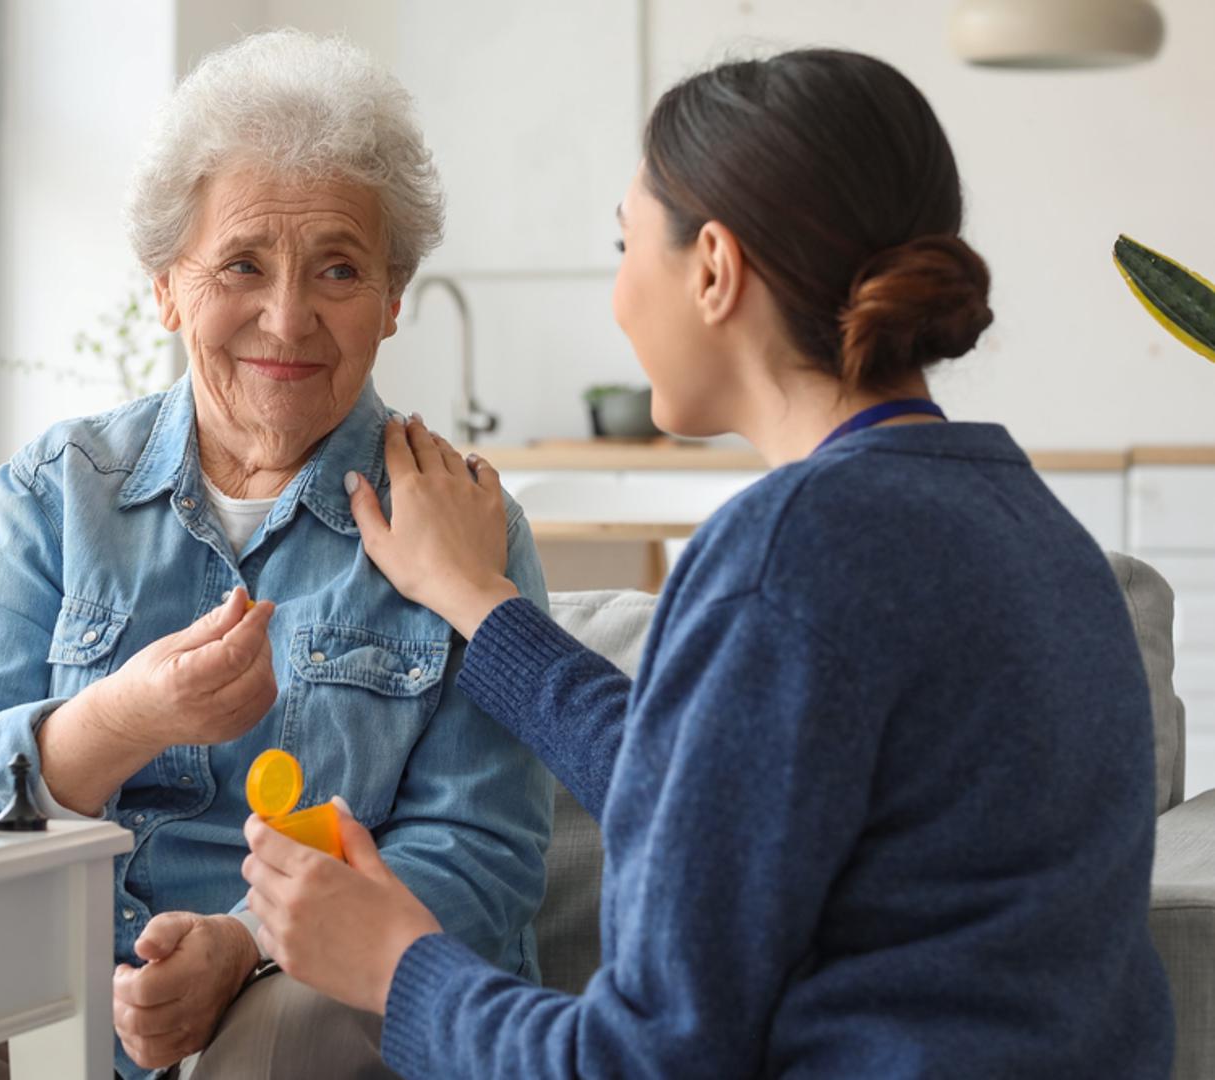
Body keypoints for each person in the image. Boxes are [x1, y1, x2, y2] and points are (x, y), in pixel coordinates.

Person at [240, 48, 1175, 1077]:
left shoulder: (786, 554)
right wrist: (478, 602)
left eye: (622, 245)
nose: (616, 298)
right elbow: (710, 789)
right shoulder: (1031, 527)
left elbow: (641, 1062)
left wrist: (393, 962)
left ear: (715, 268)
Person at [0, 30, 552, 1080]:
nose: (287, 318)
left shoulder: (463, 523)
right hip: (55, 998)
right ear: (166, 289)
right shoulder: (52, 497)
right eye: (241, 263)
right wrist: (118, 719)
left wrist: (245, 945)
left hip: (306, 1010)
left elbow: (482, 854)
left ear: (389, 299)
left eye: (337, 268)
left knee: (295, 1030)